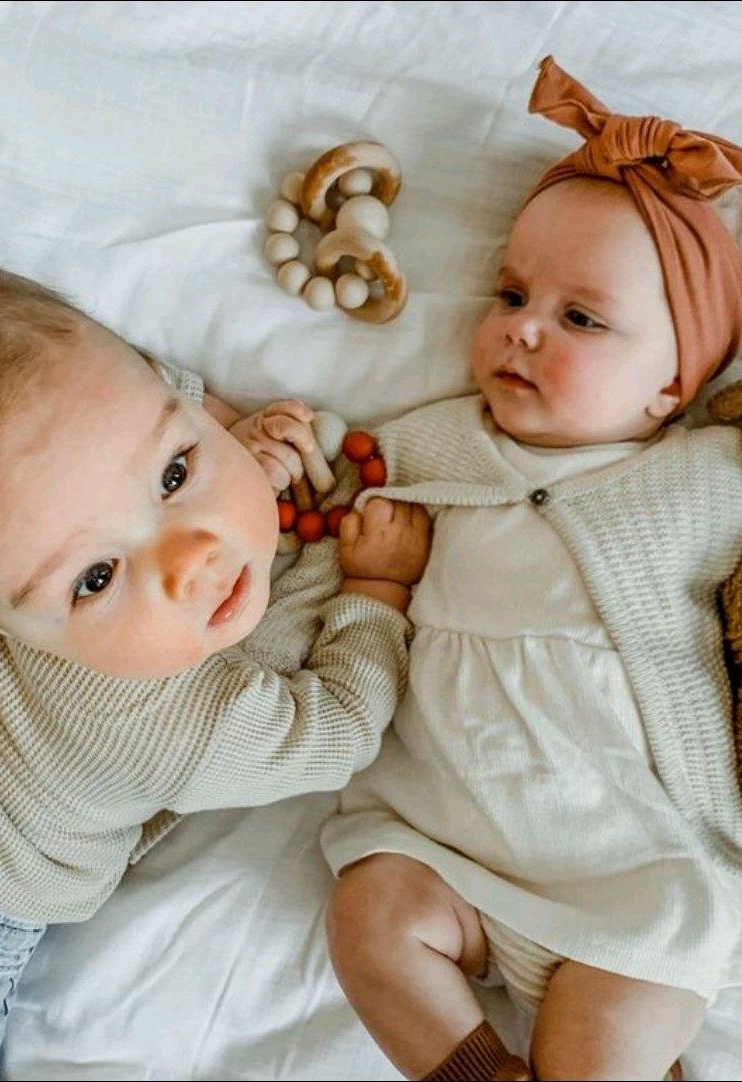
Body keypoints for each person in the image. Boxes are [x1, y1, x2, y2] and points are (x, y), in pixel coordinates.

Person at [0, 261, 431, 1080]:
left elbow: (119, 406)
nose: (190, 559)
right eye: (96, 578)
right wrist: (374, 592)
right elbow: (336, 729)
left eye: (174, 473)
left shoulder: (8, 543)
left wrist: (233, 441)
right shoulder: (162, 717)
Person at [321, 57, 742, 1081]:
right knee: (365, 914)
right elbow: (318, 502)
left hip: (633, 876)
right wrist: (282, 454)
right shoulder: (424, 449)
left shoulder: (703, 477)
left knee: (610, 1030)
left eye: (580, 318)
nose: (521, 325)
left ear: (670, 385)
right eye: (512, 293)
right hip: (443, 849)